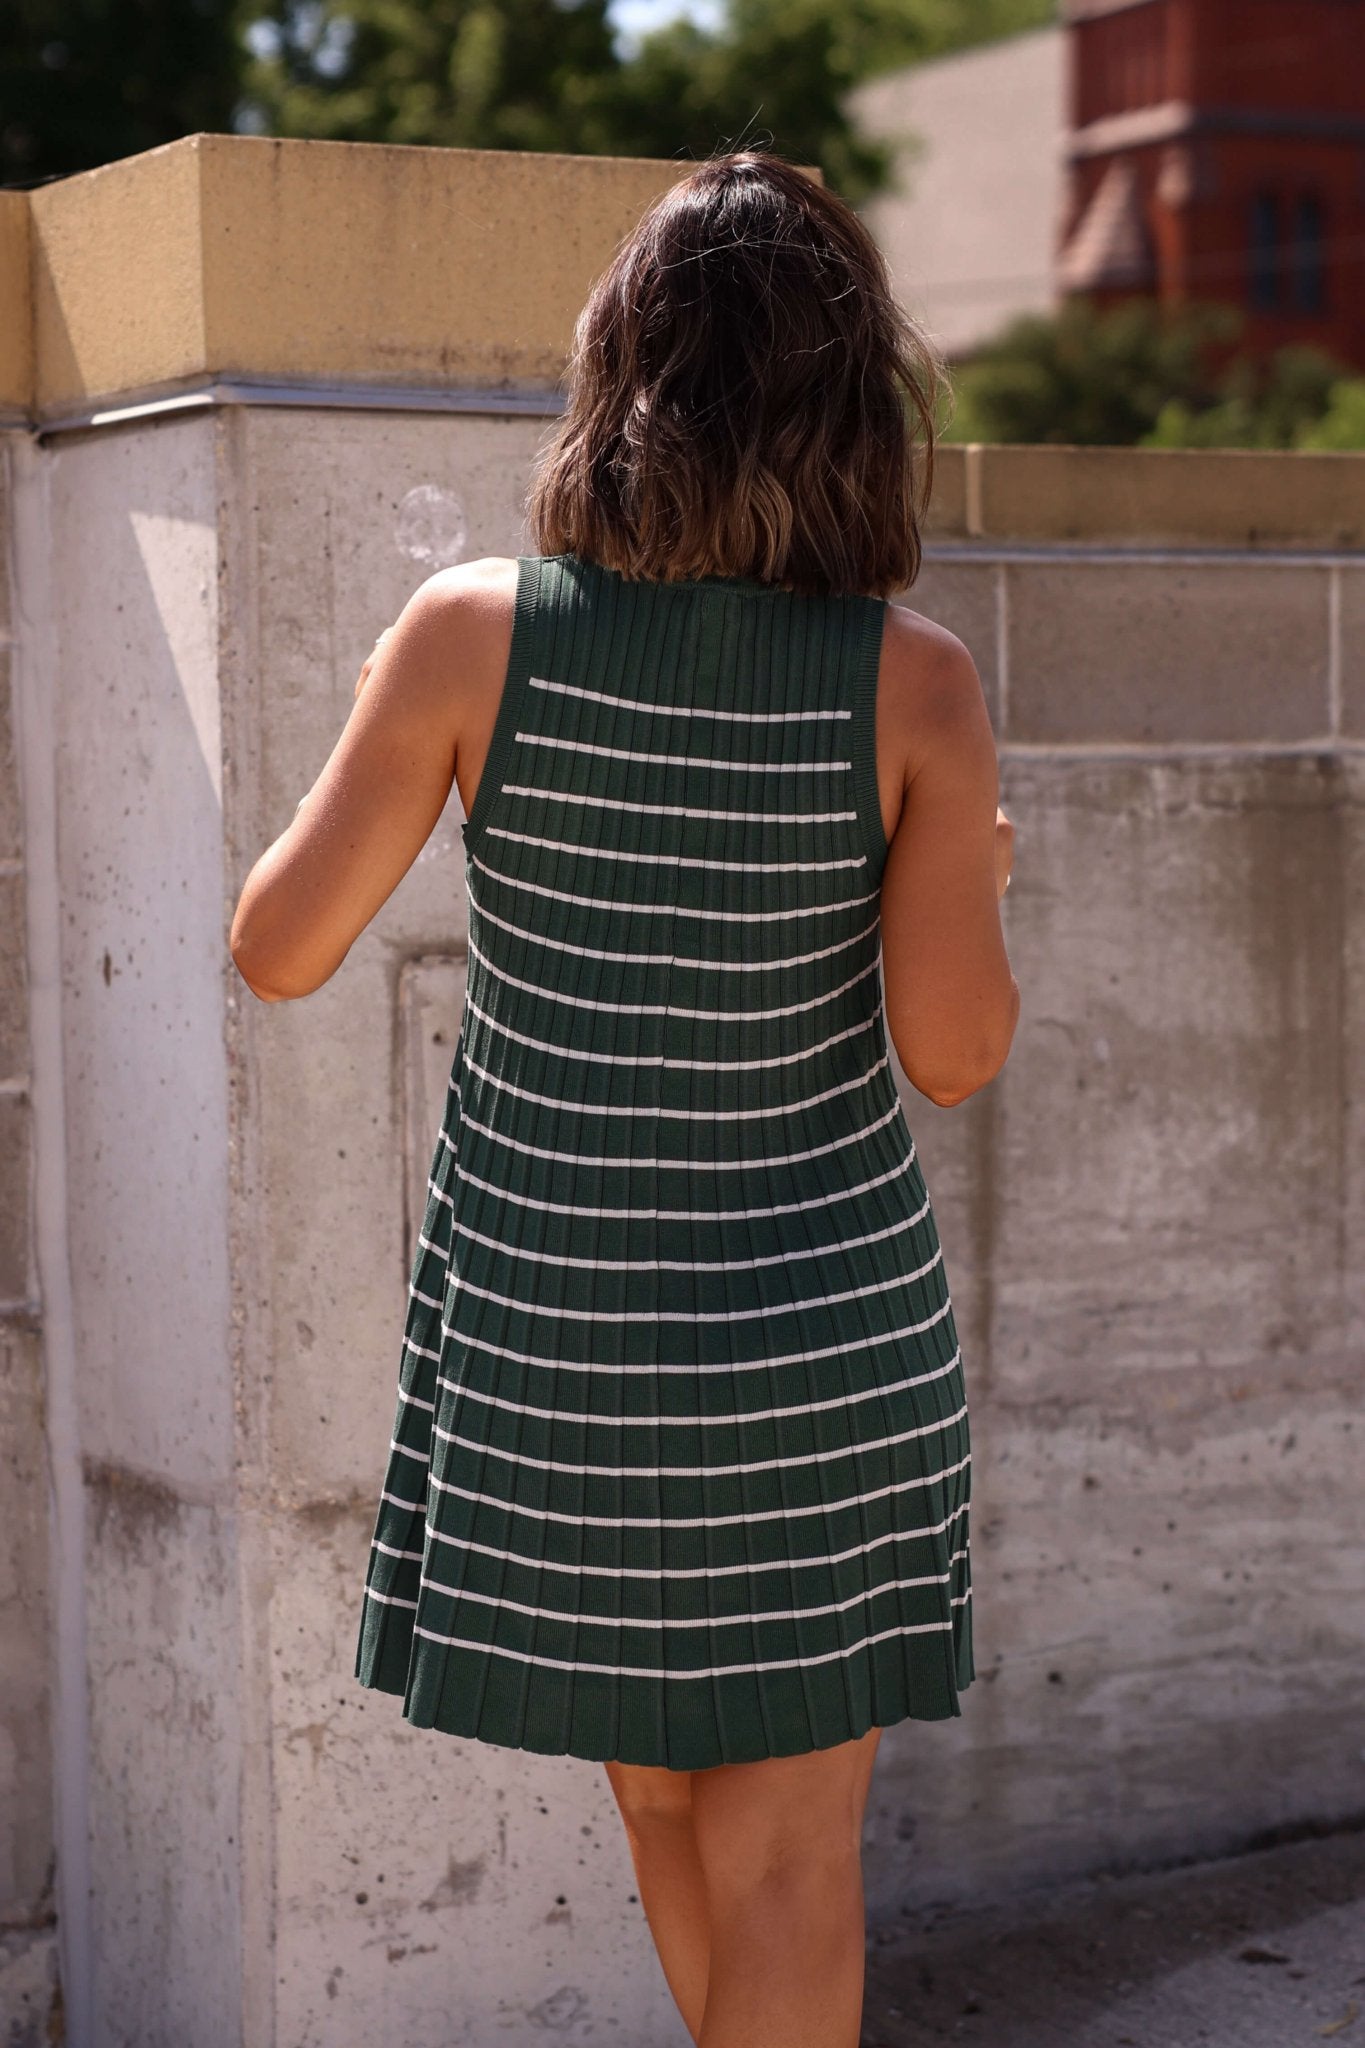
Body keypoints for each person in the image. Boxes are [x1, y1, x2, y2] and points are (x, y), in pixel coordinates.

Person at [230, 149, 1018, 2048]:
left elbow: (277, 947)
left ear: (620, 372)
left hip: (556, 1356)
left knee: (666, 1814)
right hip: (814, 1369)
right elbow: (953, 1050)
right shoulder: (911, 685)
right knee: (785, 1861)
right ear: (856, 407)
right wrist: (978, 874)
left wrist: (401, 721)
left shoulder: (466, 632)